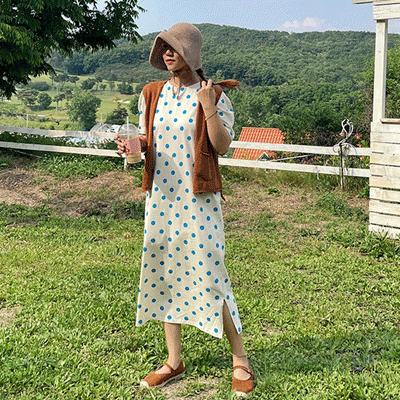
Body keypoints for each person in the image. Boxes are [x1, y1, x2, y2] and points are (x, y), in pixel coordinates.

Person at [116, 22, 255, 397]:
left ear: (191, 53)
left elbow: (221, 145)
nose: (167, 53)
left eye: (174, 47)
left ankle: (240, 359)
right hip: (161, 198)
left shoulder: (214, 94)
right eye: (163, 47)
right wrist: (134, 146)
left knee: (211, 273)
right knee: (162, 271)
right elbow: (148, 138)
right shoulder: (152, 93)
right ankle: (174, 361)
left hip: (199, 199)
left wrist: (208, 106)